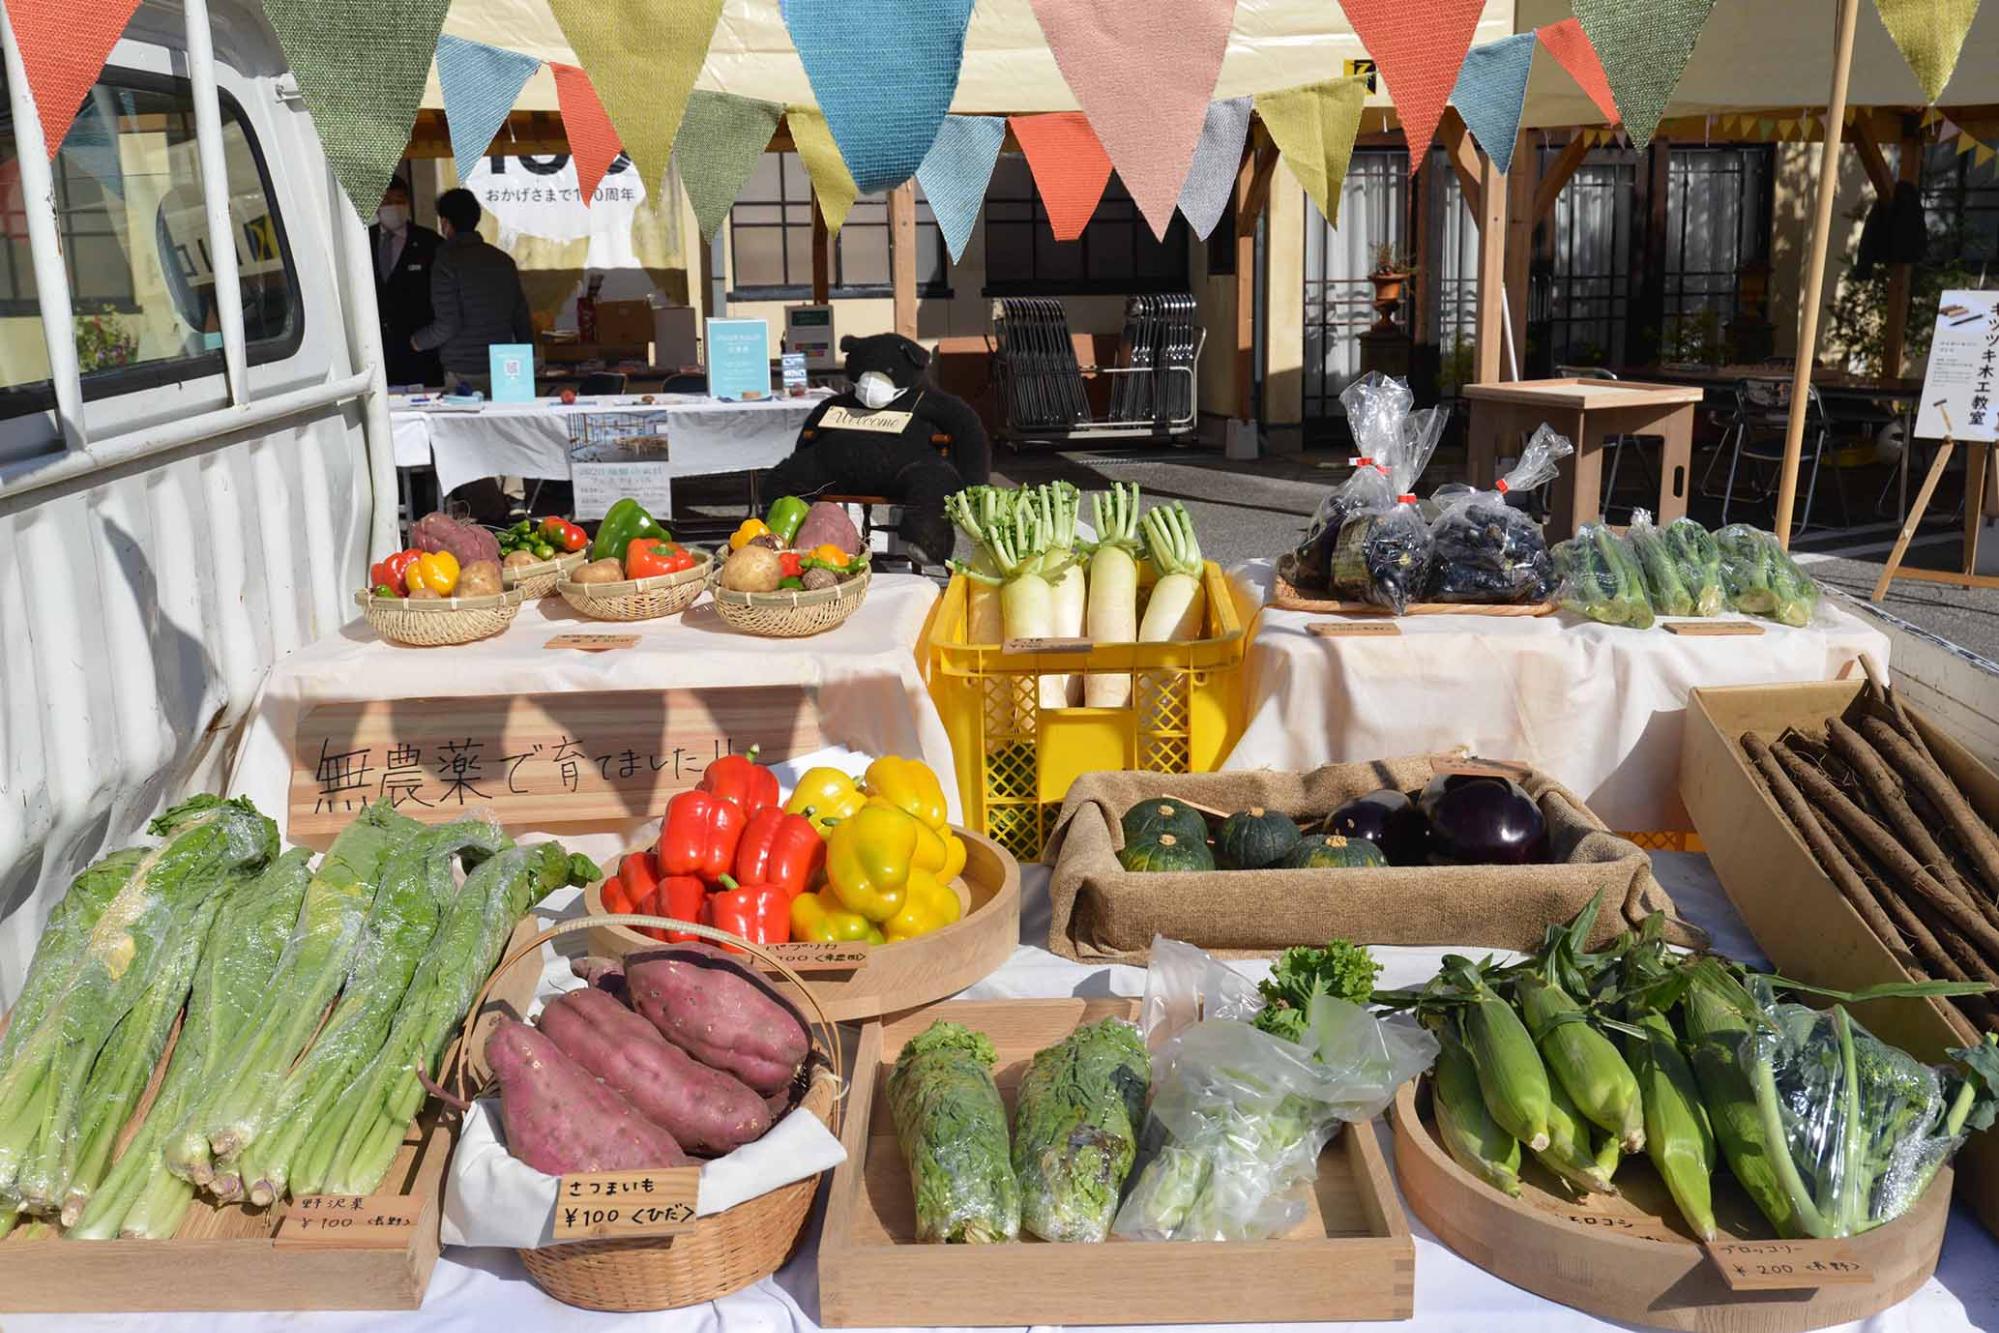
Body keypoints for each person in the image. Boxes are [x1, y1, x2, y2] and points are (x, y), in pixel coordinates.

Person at [411, 188, 534, 396]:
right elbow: (521, 318)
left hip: (463, 370)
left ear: (446, 223)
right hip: (506, 368)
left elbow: (448, 324)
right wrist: (528, 359)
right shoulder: (503, 261)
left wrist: (418, 341)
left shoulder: (446, 262)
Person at [371, 178, 442, 388]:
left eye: (398, 200)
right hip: (377, 351)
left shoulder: (431, 243)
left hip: (419, 351)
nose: (392, 206)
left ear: (408, 203)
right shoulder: (362, 240)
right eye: (386, 200)